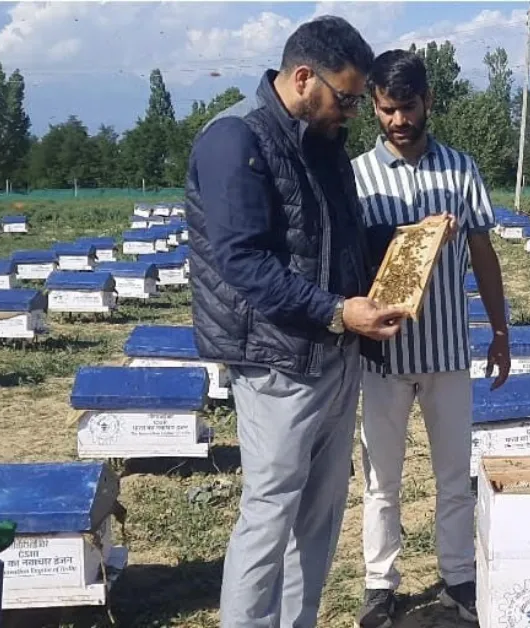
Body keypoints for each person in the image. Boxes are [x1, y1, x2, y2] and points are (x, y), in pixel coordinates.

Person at [185, 16, 411, 628]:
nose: (353, 112)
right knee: (270, 512)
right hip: (276, 361)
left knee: (319, 515)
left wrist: (406, 242)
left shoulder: (325, 144)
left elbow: (335, 242)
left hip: (335, 353)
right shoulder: (236, 139)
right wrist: (339, 311)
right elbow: (244, 262)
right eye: (346, 98)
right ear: (304, 77)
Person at [349, 49, 511, 628]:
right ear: (374, 105)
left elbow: (484, 254)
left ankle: (459, 578)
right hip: (381, 358)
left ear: (428, 102)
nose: (398, 121)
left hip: (446, 350)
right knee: (381, 480)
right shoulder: (356, 177)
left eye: (408, 108)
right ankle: (378, 584)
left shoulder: (460, 169)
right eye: (387, 109)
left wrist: (499, 329)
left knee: (452, 477)